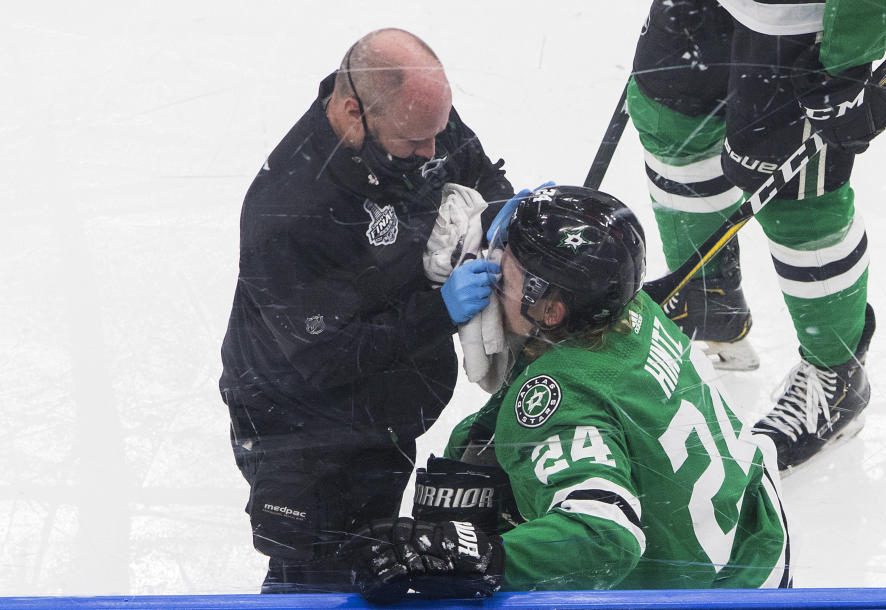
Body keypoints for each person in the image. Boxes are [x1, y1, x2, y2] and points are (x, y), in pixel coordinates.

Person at [344, 185, 790, 603]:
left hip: (710, 595)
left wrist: (482, 556)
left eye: (506, 264)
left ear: (552, 309)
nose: (491, 263)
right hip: (754, 535)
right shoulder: (632, 307)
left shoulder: (555, 397)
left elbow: (606, 536)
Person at [218, 28, 515, 593]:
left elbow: (476, 169)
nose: (434, 152)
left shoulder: (414, 113)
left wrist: (503, 220)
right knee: (315, 577)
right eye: (414, 141)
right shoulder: (288, 212)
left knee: (378, 559)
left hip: (386, 406)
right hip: (299, 432)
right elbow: (325, 359)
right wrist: (439, 312)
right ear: (353, 112)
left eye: (437, 131)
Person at [625, 0, 886, 470]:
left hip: (807, 18)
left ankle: (836, 375)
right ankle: (705, 296)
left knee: (796, 190)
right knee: (669, 119)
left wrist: (846, 61)